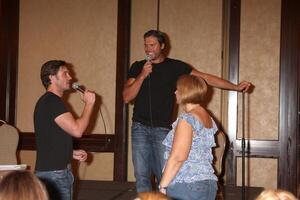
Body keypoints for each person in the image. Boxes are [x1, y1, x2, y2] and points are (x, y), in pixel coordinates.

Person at [123, 29, 252, 193]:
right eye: (146, 45)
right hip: (139, 128)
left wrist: (234, 87)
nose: (148, 49)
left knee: (167, 175)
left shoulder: (176, 66)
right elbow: (127, 97)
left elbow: (205, 78)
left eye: (152, 45)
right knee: (141, 176)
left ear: (162, 46)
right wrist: (142, 75)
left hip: (162, 129)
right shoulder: (138, 67)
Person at [34, 60, 96, 200]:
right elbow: (77, 130)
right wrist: (89, 104)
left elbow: (49, 139)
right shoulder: (52, 101)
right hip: (54, 175)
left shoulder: (49, 102)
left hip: (53, 173)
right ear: (52, 77)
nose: (70, 77)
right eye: (65, 73)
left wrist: (70, 152)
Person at [158, 75, 218, 200]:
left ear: (185, 92)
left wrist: (162, 186)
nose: (175, 92)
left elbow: (178, 157)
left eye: (178, 89)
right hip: (208, 184)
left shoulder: (187, 119)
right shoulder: (207, 117)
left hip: (187, 184)